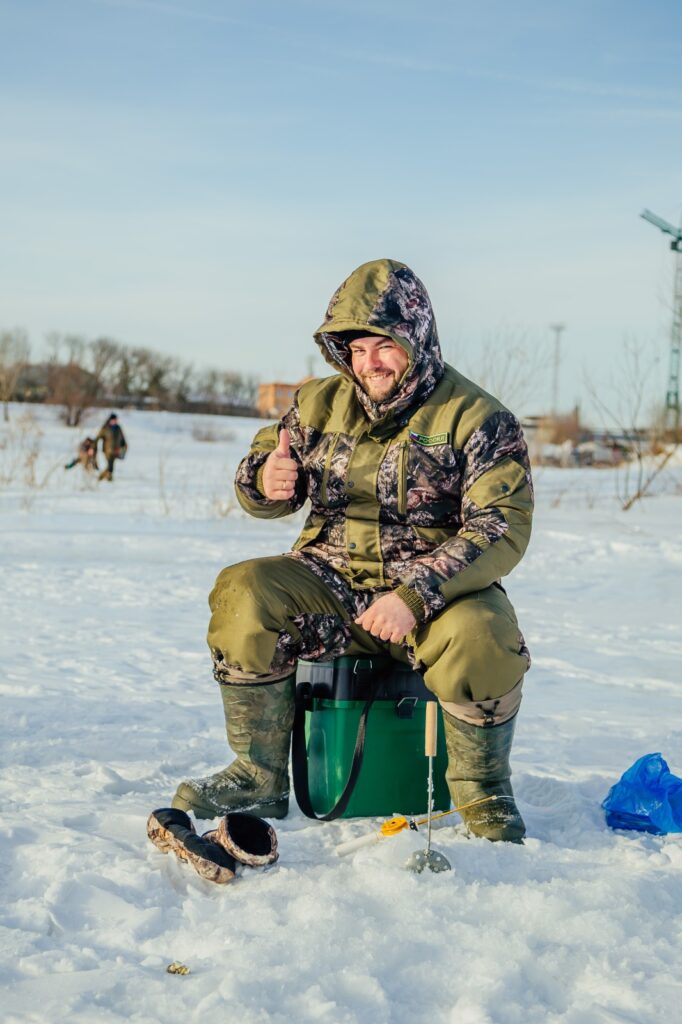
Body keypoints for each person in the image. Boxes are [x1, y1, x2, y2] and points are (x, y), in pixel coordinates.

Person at [173, 259, 534, 843]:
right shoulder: (317, 403)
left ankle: (483, 790)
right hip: (330, 583)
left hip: (434, 596)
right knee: (244, 590)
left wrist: (414, 596)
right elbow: (260, 469)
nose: (370, 363)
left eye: (383, 345)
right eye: (357, 349)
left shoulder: (478, 417)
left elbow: (502, 524)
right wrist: (264, 481)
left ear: (415, 340)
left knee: (485, 637)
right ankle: (259, 777)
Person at [96, 413, 127, 481]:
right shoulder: (105, 428)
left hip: (116, 450)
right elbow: (98, 437)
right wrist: (94, 446)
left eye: (116, 420)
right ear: (110, 420)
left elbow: (122, 438)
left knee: (111, 465)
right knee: (110, 464)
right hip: (107, 450)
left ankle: (101, 477)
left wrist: (124, 445)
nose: (115, 421)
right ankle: (108, 478)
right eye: (114, 420)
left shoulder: (118, 428)